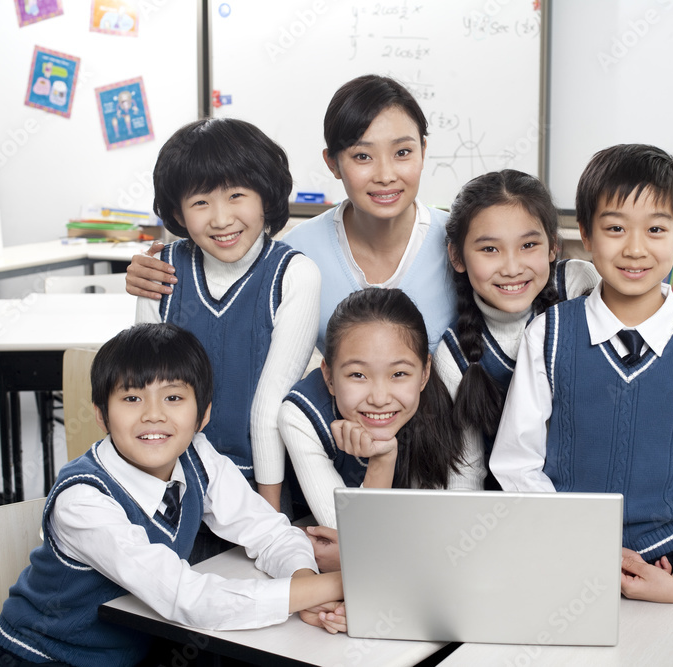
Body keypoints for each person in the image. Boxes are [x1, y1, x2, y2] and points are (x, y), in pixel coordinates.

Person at [0, 324, 343, 667]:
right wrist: (341, 584)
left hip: (131, 653)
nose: (153, 415)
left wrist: (306, 583)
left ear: (203, 415)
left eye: (173, 397)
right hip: (39, 657)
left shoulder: (197, 455)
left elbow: (270, 532)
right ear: (101, 415)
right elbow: (189, 600)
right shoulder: (84, 500)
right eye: (132, 398)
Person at [490, 145, 673, 604]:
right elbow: (517, 464)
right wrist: (576, 547)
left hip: (669, 563)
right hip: (565, 560)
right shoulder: (549, 334)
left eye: (656, 229)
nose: (635, 248)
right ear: (587, 236)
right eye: (615, 228)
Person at [435, 169, 673, 490]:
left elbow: (639, 313)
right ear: (457, 256)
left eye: (529, 245)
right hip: (517, 503)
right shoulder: (454, 356)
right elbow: (465, 476)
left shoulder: (576, 283)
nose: (512, 267)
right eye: (490, 249)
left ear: (553, 247)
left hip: (599, 483)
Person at [125, 74, 456, 352]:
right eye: (362, 157)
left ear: (423, 151)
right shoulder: (299, 251)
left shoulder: (460, 242)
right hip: (333, 427)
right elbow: (225, 266)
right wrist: (154, 268)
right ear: (333, 163)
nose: (385, 174)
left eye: (403, 152)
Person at [136, 117, 320, 511]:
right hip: (175, 484)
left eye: (237, 195)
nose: (221, 219)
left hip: (261, 482)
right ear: (178, 213)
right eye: (201, 202)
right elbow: (148, 393)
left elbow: (270, 405)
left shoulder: (293, 275)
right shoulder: (161, 273)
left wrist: (268, 518)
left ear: (266, 198)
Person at [280, 288, 482, 570]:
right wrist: (382, 459)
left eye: (399, 374)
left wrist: (362, 554)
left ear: (424, 373)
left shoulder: (447, 400)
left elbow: (459, 524)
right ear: (328, 376)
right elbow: (355, 534)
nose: (379, 398)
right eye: (358, 375)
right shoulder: (301, 416)